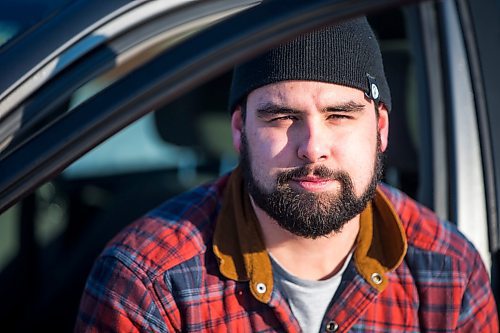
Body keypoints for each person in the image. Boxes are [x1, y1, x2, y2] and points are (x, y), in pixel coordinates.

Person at [75, 17, 498, 332]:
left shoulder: (449, 273)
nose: (312, 146)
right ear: (239, 131)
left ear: (381, 129)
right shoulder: (150, 283)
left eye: (339, 116)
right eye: (281, 117)